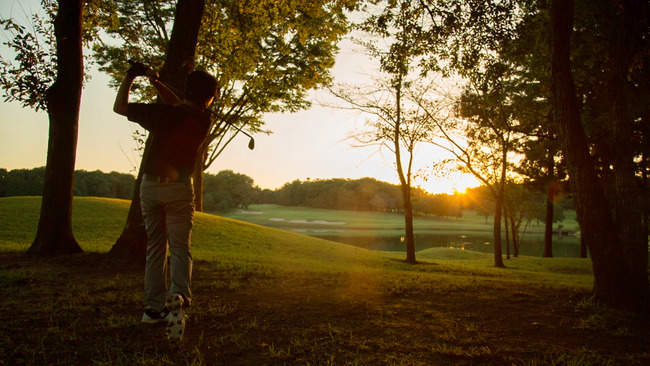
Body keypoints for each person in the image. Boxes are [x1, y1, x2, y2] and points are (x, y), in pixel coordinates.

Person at [113, 62, 217, 342]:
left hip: (150, 187)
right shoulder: (205, 120)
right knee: (181, 248)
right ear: (209, 98)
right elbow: (182, 107)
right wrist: (158, 83)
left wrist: (131, 77)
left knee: (156, 249)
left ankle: (153, 310)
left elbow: (120, 108)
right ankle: (179, 301)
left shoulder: (162, 114)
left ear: (186, 90)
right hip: (179, 190)